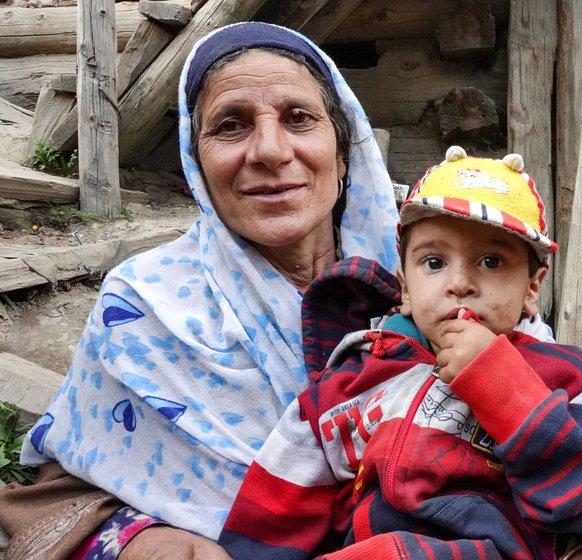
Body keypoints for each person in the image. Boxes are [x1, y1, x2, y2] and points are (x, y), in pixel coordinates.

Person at [0, 21, 400, 560]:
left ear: (343, 151)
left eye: (299, 118)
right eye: (231, 126)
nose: (269, 150)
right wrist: (142, 541)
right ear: (196, 163)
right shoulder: (145, 304)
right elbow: (73, 485)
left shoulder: (430, 282)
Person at [217, 147, 582, 559]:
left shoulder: (572, 376)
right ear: (405, 288)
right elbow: (280, 497)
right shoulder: (357, 379)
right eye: (434, 262)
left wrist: (507, 391)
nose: (460, 283)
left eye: (492, 261)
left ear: (532, 288)